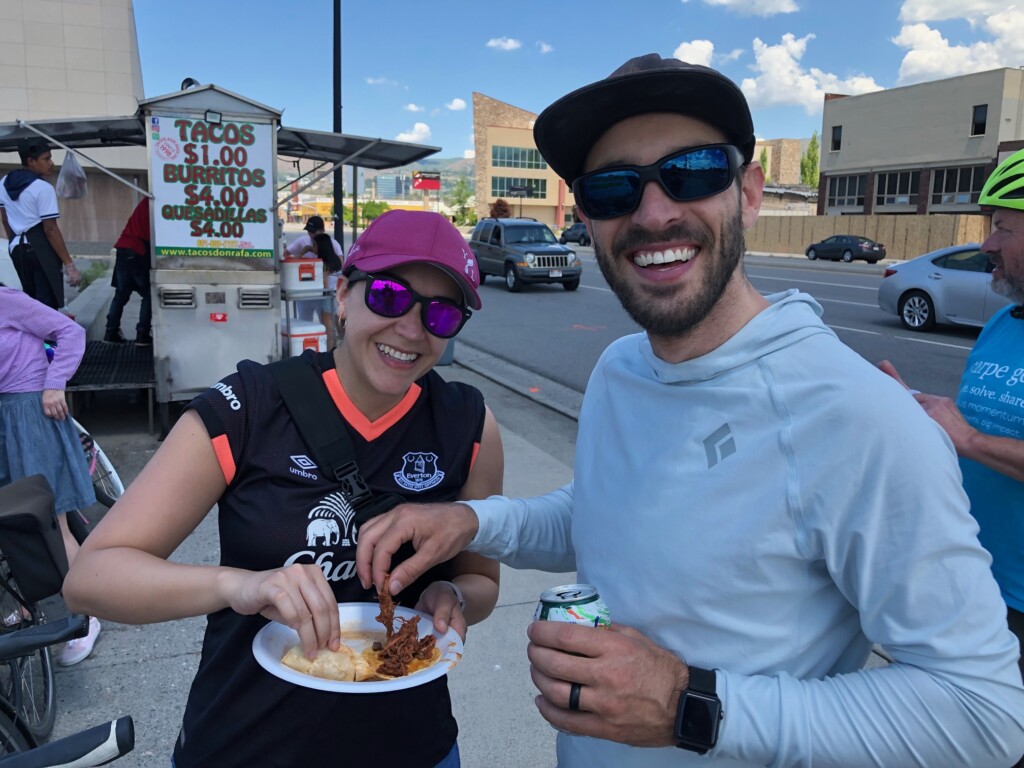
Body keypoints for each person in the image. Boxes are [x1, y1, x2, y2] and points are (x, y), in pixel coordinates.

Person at [355, 54, 1024, 767]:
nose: (653, 213)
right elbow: (609, 517)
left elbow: (984, 714)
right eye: (613, 188)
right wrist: (473, 522)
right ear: (587, 220)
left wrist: (688, 705)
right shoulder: (620, 369)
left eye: (694, 171)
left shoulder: (860, 416)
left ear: (750, 193)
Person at [63, 210, 503, 767]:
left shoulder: (468, 425)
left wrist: (454, 597)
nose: (412, 330)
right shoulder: (249, 406)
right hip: (249, 745)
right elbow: (92, 578)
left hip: (414, 747)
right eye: (389, 296)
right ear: (342, 294)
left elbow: (481, 580)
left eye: (441, 313)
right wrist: (237, 585)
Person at [882, 146, 1024, 683]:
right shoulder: (1004, 323)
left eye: (1002, 228)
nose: (986, 244)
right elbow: (973, 426)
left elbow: (972, 438)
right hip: (973, 578)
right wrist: (913, 406)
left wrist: (969, 440)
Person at [0, 284, 101, 666]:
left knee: (53, 522)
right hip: (4, 421)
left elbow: (69, 331)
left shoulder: (5, 301)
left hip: (31, 414)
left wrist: (54, 382)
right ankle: (29, 605)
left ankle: (87, 615)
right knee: (10, 523)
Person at [0, 138, 80, 309]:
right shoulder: (43, 188)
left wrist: (14, 243)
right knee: (46, 304)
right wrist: (69, 264)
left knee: (29, 302)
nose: (51, 163)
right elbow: (50, 229)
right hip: (40, 249)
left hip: (17, 248)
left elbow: (5, 220)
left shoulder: (3, 183)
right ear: (31, 161)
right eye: (46, 159)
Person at [283, 215, 343, 338]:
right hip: (306, 291)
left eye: (314, 231)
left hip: (325, 292)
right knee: (305, 321)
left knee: (327, 323)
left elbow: (340, 264)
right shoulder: (302, 241)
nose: (311, 235)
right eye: (309, 231)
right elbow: (286, 255)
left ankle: (331, 344)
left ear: (323, 231)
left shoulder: (331, 244)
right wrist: (301, 253)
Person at [104, 197, 152, 346]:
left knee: (121, 293)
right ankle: (143, 334)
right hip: (138, 249)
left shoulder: (147, 200)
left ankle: (111, 332)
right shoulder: (158, 201)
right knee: (149, 295)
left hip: (123, 247)